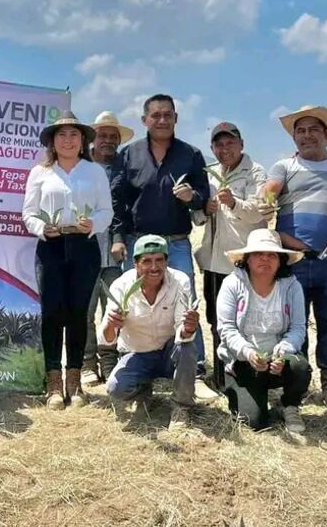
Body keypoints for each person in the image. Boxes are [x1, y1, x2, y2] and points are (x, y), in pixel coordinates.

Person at [264, 105, 327, 408]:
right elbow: (270, 192)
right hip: (293, 259)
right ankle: (298, 384)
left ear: (326, 134)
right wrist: (266, 199)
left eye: (313, 130)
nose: (307, 136)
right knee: (295, 323)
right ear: (294, 137)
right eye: (300, 131)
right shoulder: (284, 167)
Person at [110, 94, 211, 387]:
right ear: (145, 120)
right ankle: (133, 364)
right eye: (156, 115)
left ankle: (196, 369)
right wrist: (118, 237)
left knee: (186, 303)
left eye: (168, 115)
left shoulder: (191, 154)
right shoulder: (129, 154)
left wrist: (193, 198)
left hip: (176, 243)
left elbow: (204, 198)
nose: (162, 120)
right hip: (138, 244)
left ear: (176, 119)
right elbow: (118, 200)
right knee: (134, 304)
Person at [22, 112, 113, 408]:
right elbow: (28, 214)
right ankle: (53, 383)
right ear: (52, 140)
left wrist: (94, 224)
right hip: (51, 246)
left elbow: (106, 212)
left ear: (83, 140)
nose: (68, 140)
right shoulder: (40, 173)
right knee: (51, 313)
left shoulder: (95, 171)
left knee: (78, 314)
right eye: (61, 135)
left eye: (74, 135)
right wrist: (40, 227)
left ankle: (75, 383)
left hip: (84, 247)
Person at [192, 122, 274, 385]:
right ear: (212, 148)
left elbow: (261, 211)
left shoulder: (256, 172)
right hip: (215, 261)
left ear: (241, 144)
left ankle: (248, 377)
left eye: (230, 143)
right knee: (217, 321)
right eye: (219, 144)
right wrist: (205, 208)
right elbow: (197, 217)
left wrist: (233, 202)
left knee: (246, 321)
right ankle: (220, 378)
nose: (224, 149)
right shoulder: (208, 174)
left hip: (244, 260)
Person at [101, 235, 200, 427]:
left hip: (169, 352)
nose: (154, 267)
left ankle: (182, 406)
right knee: (116, 389)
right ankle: (143, 391)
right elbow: (107, 339)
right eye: (146, 261)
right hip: (138, 353)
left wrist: (188, 328)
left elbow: (183, 329)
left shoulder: (180, 281)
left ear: (167, 261)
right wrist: (112, 324)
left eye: (159, 260)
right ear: (135, 263)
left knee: (187, 348)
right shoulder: (120, 286)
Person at [216, 229, 310, 432]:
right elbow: (226, 329)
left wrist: (284, 350)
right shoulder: (232, 284)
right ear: (247, 259)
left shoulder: (292, 287)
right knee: (254, 422)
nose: (265, 259)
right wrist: (248, 353)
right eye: (259, 254)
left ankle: (290, 404)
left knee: (300, 367)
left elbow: (298, 328)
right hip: (242, 361)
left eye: (272, 255)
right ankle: (248, 394)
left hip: (277, 360)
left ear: (281, 260)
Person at [82, 111, 134, 386]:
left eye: (113, 137)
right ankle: (87, 362)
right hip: (85, 248)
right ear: (94, 138)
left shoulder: (123, 168)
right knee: (86, 310)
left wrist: (118, 236)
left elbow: (123, 209)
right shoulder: (79, 164)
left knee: (114, 308)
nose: (108, 141)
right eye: (103, 135)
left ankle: (109, 359)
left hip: (114, 251)